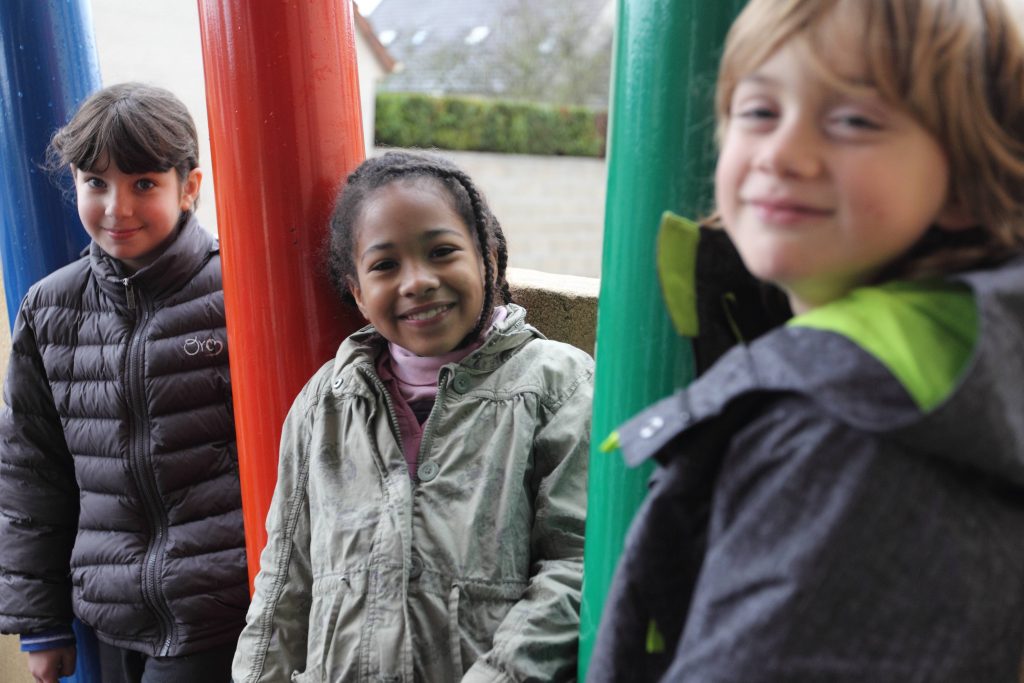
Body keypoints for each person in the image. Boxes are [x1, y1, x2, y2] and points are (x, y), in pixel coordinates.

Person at [590, 0, 1024, 680]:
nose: (783, 152)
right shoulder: (954, 376)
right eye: (760, 111)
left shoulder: (842, 426)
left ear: (965, 185)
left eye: (853, 120)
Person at [232, 150, 593, 682]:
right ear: (357, 291)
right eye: (384, 265)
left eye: (442, 251)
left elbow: (577, 565)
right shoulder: (324, 403)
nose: (417, 281)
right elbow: (285, 579)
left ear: (489, 256)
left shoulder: (555, 384)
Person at [0, 83, 248, 683]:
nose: (117, 208)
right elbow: (32, 470)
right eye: (96, 183)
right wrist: (42, 622)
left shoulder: (236, 295)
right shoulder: (50, 308)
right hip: (107, 610)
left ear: (189, 187)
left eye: (143, 184)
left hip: (218, 608)